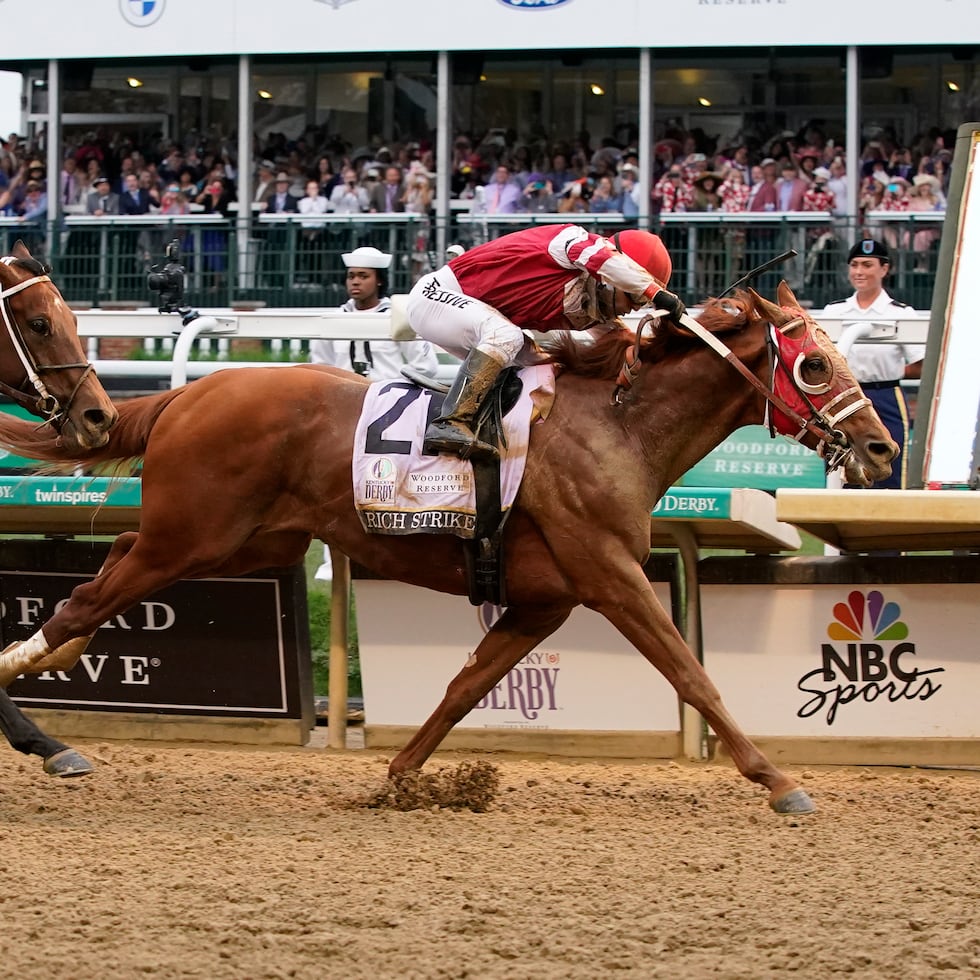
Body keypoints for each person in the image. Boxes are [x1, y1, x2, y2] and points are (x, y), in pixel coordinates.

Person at [407, 225, 685, 461]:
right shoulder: (572, 242)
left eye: (642, 302)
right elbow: (604, 259)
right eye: (635, 297)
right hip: (435, 296)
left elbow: (623, 342)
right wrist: (655, 293)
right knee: (506, 336)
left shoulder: (590, 300)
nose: (635, 308)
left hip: (466, 312)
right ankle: (451, 422)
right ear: (613, 278)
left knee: (546, 365)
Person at [310, 245, 439, 580]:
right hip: (341, 411)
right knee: (331, 482)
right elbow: (318, 365)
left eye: (363, 277)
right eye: (351, 276)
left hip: (389, 413)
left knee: (388, 480)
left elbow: (425, 365)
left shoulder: (399, 317)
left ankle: (389, 553)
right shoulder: (334, 318)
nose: (355, 282)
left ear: (378, 281)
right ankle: (332, 558)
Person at [823, 239, 922, 489]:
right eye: (854, 265)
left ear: (884, 269)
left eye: (867, 265)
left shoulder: (902, 312)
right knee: (842, 467)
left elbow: (921, 364)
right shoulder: (835, 311)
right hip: (842, 398)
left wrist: (893, 370)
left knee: (891, 466)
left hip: (885, 393)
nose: (859, 271)